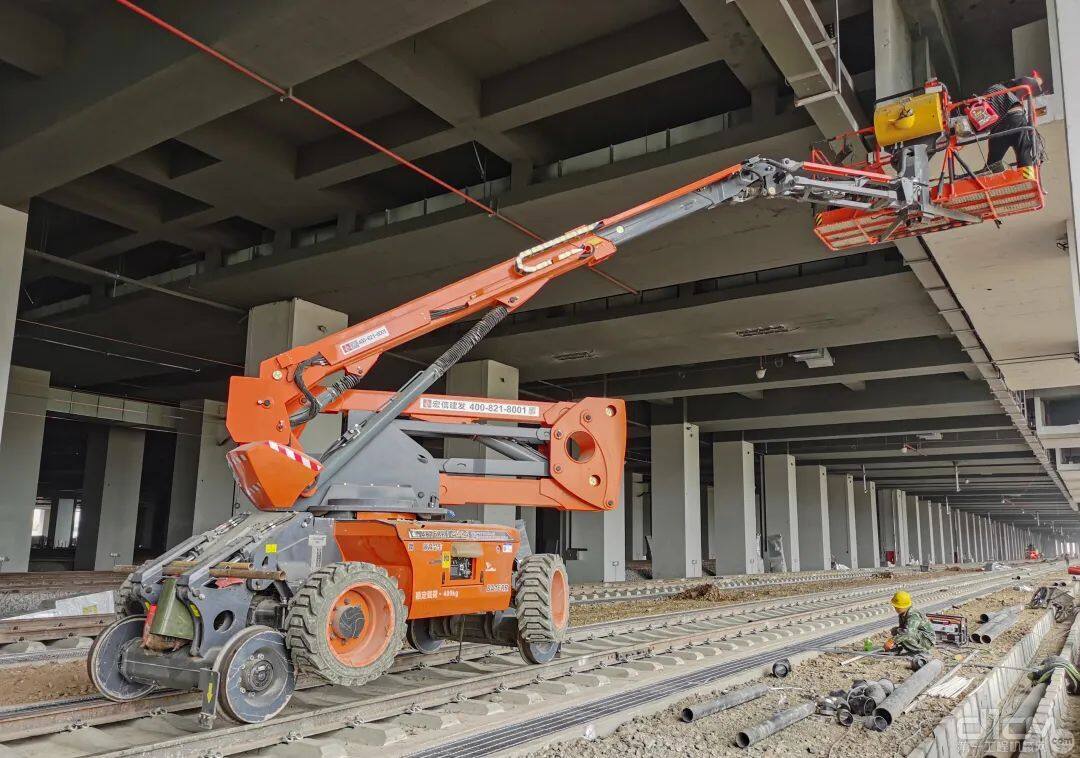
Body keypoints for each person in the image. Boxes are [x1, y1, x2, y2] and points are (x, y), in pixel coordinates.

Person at [981, 72, 1044, 180]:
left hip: (998, 128)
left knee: (993, 160)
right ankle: (1028, 179)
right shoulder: (1008, 86)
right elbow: (1034, 81)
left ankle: (996, 181)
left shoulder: (984, 99)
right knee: (1024, 151)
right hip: (1016, 118)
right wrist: (1036, 78)